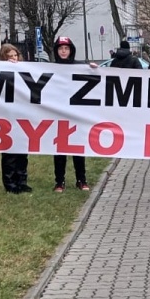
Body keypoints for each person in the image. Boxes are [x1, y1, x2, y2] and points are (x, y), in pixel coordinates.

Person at [51, 37, 96, 192]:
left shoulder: (79, 67)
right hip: (58, 115)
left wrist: (93, 69)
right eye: (60, 48)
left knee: (77, 149)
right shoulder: (50, 67)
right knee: (59, 150)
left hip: (76, 115)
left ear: (71, 50)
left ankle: (81, 180)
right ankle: (59, 181)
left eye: (66, 48)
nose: (64, 51)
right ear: (56, 50)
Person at [0, 44, 32, 194]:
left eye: (15, 56)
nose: (13, 59)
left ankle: (22, 181)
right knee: (9, 152)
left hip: (22, 116)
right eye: (9, 56)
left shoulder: (25, 72)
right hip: (7, 116)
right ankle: (10, 184)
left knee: (22, 152)